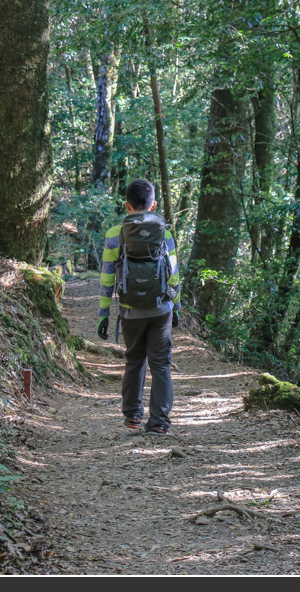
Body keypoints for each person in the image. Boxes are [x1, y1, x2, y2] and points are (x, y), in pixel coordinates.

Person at [97, 179, 180, 435]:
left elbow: (107, 277)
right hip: (160, 309)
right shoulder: (164, 233)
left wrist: (103, 313)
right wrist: (175, 308)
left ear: (127, 205)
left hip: (130, 309)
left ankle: (133, 416)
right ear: (153, 205)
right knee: (161, 364)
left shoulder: (115, 233)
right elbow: (174, 276)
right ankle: (159, 423)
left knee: (134, 360)